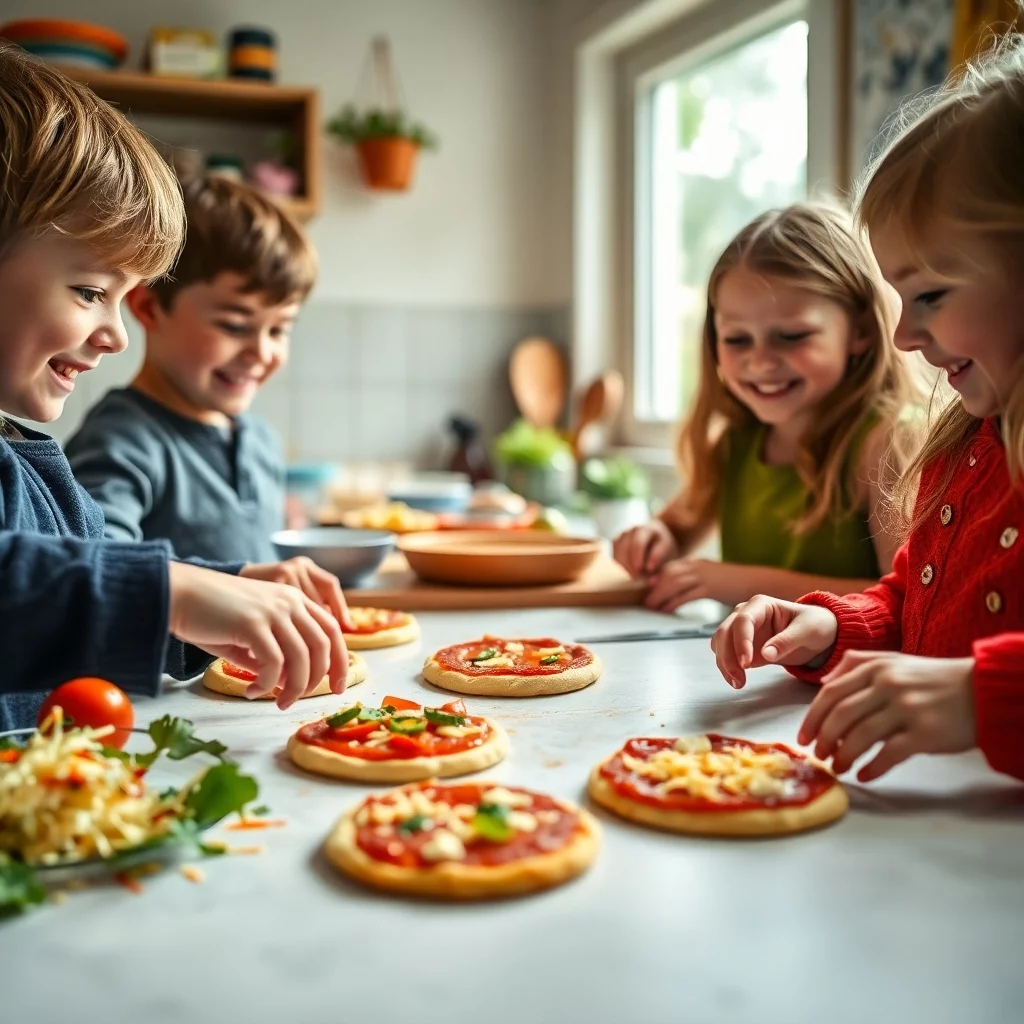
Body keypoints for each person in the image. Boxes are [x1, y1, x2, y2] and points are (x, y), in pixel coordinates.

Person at [0, 43, 347, 731]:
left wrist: (220, 582)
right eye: (90, 291)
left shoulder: (24, 456)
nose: (116, 333)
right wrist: (173, 592)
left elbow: (89, 567)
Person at [710, 36, 1024, 784]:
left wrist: (983, 699)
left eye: (932, 296)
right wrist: (830, 628)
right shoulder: (968, 441)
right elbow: (916, 603)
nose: (906, 333)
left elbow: (963, 682)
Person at [614, 203, 923, 612]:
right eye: (738, 340)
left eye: (792, 336)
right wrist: (655, 537)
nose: (760, 362)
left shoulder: (887, 439)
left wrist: (735, 582)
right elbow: (676, 528)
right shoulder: (738, 440)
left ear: (860, 330)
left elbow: (906, 599)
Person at [66, 175, 315, 566]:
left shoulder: (260, 441)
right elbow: (101, 568)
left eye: (279, 329)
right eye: (234, 325)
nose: (262, 352)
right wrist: (235, 586)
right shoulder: (121, 442)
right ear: (149, 308)